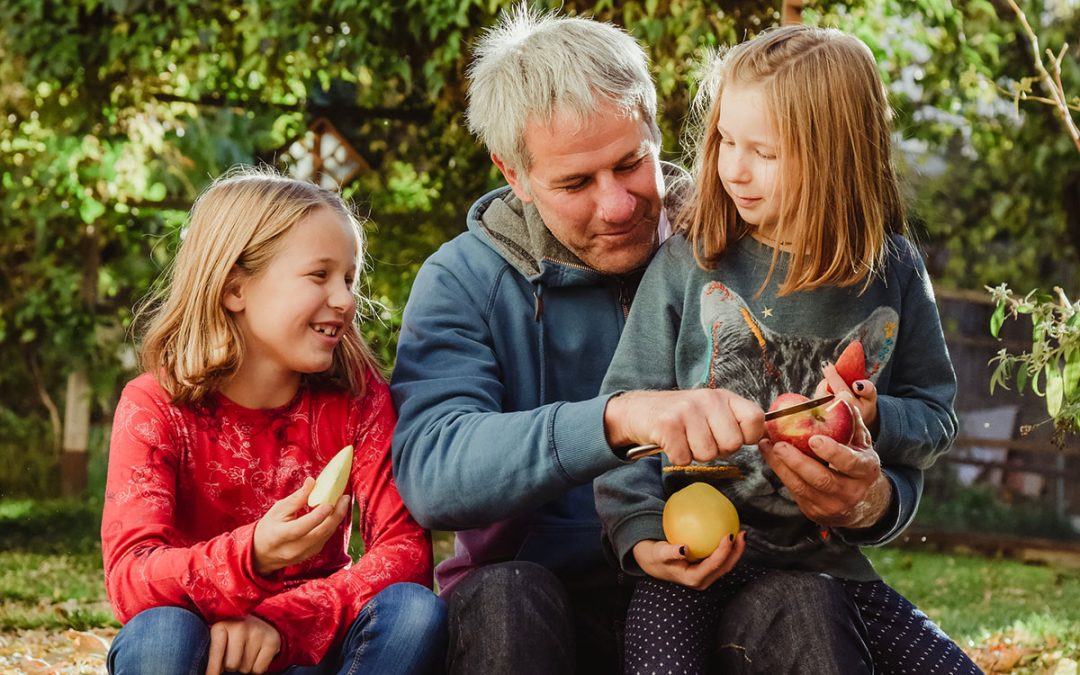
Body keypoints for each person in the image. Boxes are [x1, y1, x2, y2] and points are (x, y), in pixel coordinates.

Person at [390, 6, 928, 674]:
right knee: (505, 594)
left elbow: (897, 412)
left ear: (652, 127)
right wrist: (617, 418)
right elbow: (433, 470)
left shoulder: (744, 242)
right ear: (513, 173)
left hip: (730, 590)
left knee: (804, 603)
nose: (617, 205)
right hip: (545, 608)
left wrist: (873, 500)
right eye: (576, 183)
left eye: (630, 162)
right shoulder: (462, 280)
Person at [595, 25, 981, 674]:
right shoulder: (693, 258)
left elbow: (937, 416)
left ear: (837, 157)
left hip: (824, 557)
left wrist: (876, 416)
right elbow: (624, 412)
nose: (734, 168)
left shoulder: (894, 271)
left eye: (765, 153)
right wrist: (637, 534)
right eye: (726, 141)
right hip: (692, 553)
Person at [101, 168, 447, 675]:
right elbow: (131, 577)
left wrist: (279, 626)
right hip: (202, 649)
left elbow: (403, 552)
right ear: (235, 288)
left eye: (349, 278)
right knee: (160, 633)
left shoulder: (356, 399)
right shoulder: (155, 405)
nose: (346, 299)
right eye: (319, 275)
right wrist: (254, 555)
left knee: (415, 612)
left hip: (314, 643)